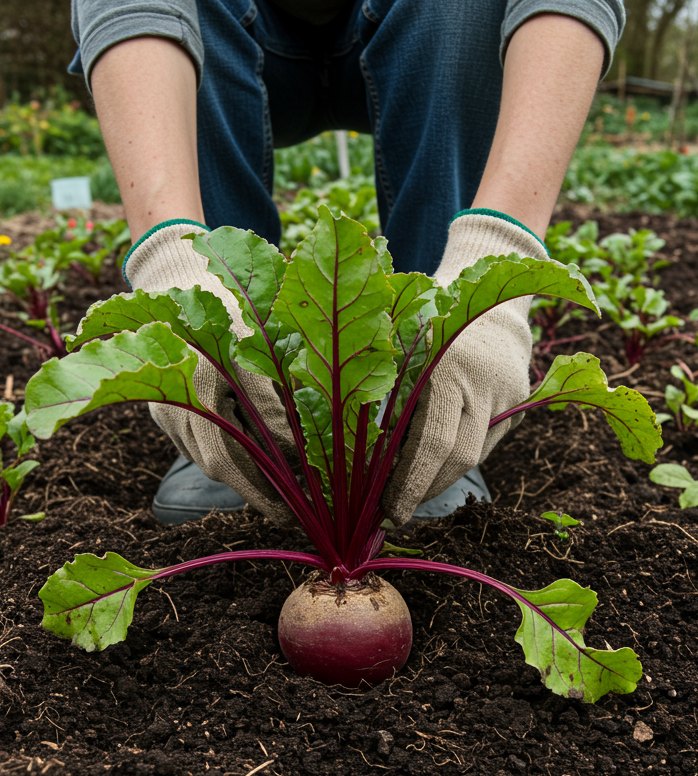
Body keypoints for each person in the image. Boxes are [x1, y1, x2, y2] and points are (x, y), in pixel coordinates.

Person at [68, 0, 624, 525]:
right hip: (235, 45)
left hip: (422, 39)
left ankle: (430, 409)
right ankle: (238, 411)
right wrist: (172, 259)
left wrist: (500, 259)